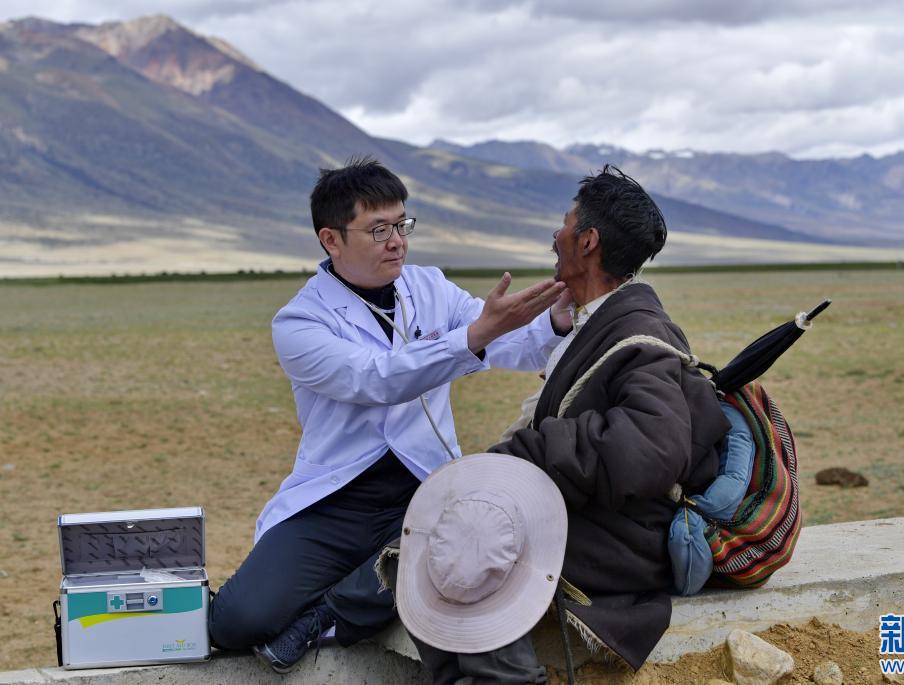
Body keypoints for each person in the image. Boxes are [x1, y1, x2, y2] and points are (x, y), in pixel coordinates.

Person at [207, 157, 572, 673]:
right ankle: (363, 584)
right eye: (378, 230)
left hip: (423, 490)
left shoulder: (430, 288)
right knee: (237, 621)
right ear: (331, 240)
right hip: (337, 501)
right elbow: (376, 379)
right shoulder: (300, 322)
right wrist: (475, 336)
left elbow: (512, 343)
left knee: (464, 553)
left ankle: (327, 615)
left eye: (402, 225)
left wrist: (556, 320)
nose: (397, 241)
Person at [397, 165, 731, 681]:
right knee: (439, 540)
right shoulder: (598, 321)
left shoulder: (640, 337)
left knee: (472, 544)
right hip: (596, 516)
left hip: (624, 538)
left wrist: (531, 450)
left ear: (588, 241)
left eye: (565, 224)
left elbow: (652, 451)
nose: (556, 236)